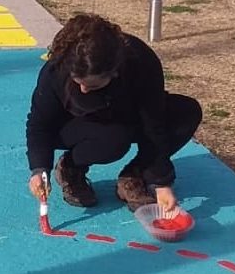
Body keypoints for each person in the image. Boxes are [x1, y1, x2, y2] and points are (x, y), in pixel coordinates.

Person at [25, 13, 202, 214]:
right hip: (73, 126)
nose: (83, 89)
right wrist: (39, 169)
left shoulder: (142, 62)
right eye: (78, 81)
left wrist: (161, 181)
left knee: (186, 112)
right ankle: (71, 167)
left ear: (114, 71)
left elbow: (154, 123)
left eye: (92, 84)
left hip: (124, 114)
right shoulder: (57, 69)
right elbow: (39, 125)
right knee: (113, 139)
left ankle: (136, 174)